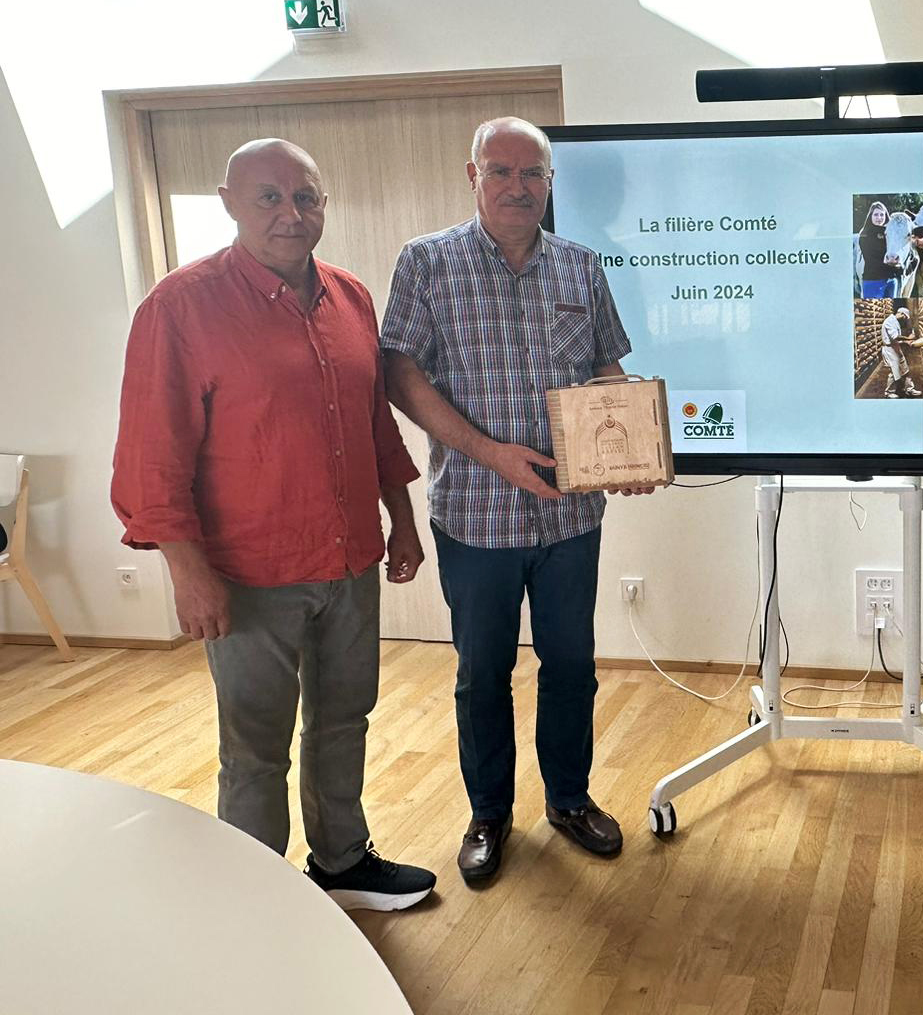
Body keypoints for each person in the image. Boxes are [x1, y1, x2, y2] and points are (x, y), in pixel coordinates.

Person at [111, 139, 436, 912]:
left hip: (349, 560)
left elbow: (373, 425)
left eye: (306, 197)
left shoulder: (349, 297)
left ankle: (342, 862)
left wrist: (401, 519)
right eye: (269, 197)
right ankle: (255, 898)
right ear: (228, 201)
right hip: (246, 575)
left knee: (344, 719)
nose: (291, 213)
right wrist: (187, 573)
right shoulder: (180, 308)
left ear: (324, 205)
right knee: (255, 745)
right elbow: (152, 458)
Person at [381, 116, 649, 885]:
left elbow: (606, 368)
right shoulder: (427, 263)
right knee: (481, 674)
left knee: (571, 668)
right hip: (475, 515)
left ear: (549, 183)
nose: (516, 186)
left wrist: (630, 441)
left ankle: (568, 799)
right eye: (499, 171)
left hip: (570, 518)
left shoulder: (581, 266)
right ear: (473, 177)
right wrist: (490, 452)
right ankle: (489, 814)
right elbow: (400, 375)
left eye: (532, 173)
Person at [856, 201, 897, 299]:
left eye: (882, 215)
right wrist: (895, 268)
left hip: (891, 280)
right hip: (873, 280)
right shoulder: (865, 234)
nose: (879, 218)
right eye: (876, 215)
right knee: (873, 309)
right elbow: (871, 259)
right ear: (870, 216)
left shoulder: (890, 233)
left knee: (890, 308)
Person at [880, 306, 921, 398]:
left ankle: (909, 389)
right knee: (894, 372)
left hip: (896, 348)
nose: (905, 320)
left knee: (905, 369)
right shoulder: (890, 321)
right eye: (905, 317)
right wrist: (908, 338)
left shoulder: (895, 321)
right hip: (890, 350)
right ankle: (889, 392)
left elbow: (894, 340)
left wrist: (905, 342)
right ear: (902, 314)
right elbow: (895, 337)